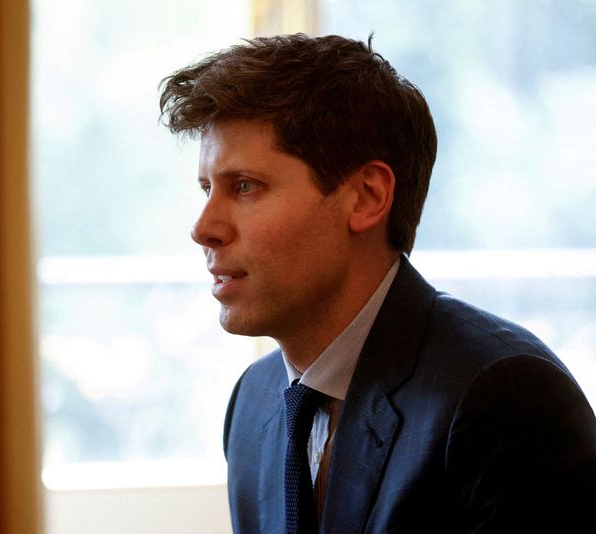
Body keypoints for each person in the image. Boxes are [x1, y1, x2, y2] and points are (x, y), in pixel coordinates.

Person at [158, 34, 596, 533]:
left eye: (245, 186)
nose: (203, 228)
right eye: (205, 189)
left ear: (366, 197)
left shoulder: (504, 399)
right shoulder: (253, 401)